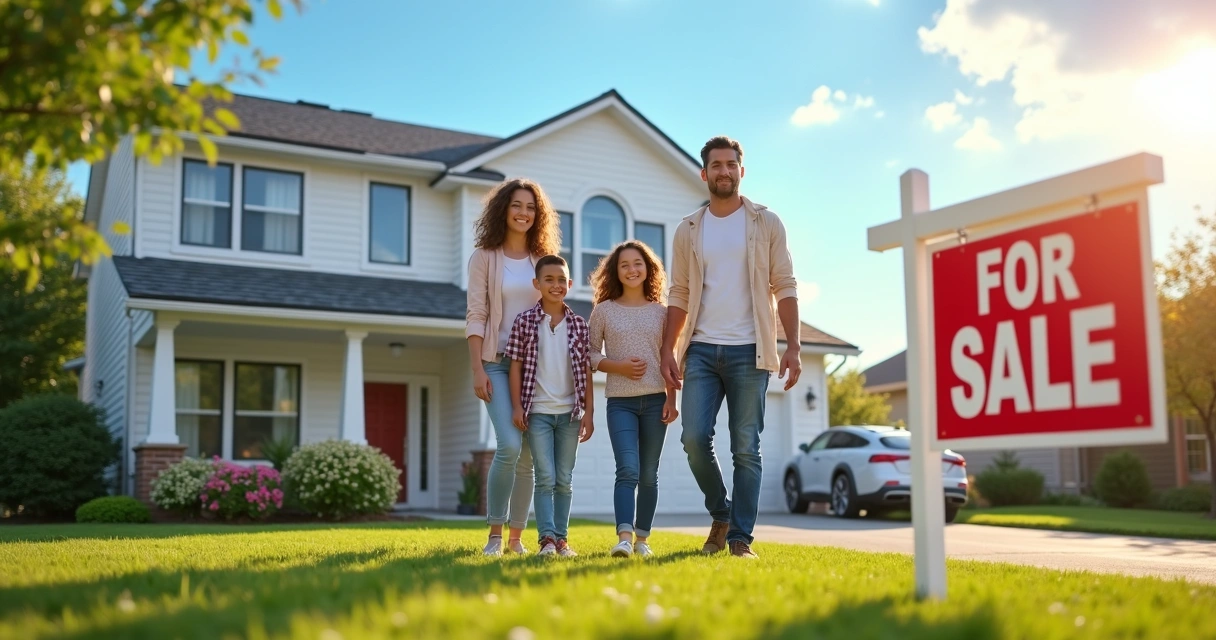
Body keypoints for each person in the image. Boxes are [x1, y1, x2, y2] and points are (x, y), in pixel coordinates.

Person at [659, 136, 802, 559]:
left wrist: (793, 344)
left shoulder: (766, 222)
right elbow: (680, 292)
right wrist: (669, 348)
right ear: (704, 174)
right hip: (701, 348)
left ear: (742, 170)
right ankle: (721, 512)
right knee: (693, 436)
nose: (724, 171)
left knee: (746, 448)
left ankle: (740, 540)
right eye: (716, 165)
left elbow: (785, 284)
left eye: (731, 164)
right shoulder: (689, 228)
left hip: (750, 350)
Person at [465, 178, 562, 556]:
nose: (524, 213)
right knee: (507, 444)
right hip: (495, 363)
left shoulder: (543, 260)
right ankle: (493, 534)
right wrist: (477, 368)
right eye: (517, 205)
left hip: (536, 368)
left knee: (528, 456)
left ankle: (517, 538)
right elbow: (476, 314)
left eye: (531, 207)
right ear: (503, 210)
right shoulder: (485, 257)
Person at [587, 241, 678, 558]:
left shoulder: (662, 313)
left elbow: (670, 358)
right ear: (615, 270)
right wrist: (618, 366)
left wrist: (672, 399)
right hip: (620, 403)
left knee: (649, 474)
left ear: (648, 268)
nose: (631, 269)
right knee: (627, 469)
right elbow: (589, 354)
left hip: (656, 401)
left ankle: (642, 541)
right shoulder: (604, 311)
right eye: (624, 264)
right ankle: (624, 538)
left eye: (637, 263)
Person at [504, 255, 594, 557]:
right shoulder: (524, 322)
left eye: (561, 280)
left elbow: (585, 371)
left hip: (570, 414)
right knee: (544, 477)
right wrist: (517, 407)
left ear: (569, 284)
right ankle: (546, 540)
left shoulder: (580, 325)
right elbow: (515, 367)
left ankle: (562, 539)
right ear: (537, 284)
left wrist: (589, 412)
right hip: (538, 413)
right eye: (549, 280)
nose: (555, 285)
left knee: (564, 480)